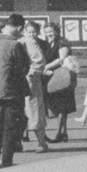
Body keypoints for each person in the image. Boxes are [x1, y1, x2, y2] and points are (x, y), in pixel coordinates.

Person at [0, 14, 32, 170]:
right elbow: (23, 68)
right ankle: (7, 161)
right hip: (12, 91)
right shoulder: (15, 45)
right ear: (19, 27)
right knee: (10, 128)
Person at [24, 22, 55, 153]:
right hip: (26, 78)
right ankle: (20, 139)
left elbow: (43, 60)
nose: (31, 34)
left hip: (37, 79)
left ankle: (41, 141)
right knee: (27, 110)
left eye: (34, 32)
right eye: (29, 32)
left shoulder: (39, 43)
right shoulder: (22, 42)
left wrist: (37, 71)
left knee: (35, 109)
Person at [44, 34, 79, 142]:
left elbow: (61, 59)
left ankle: (59, 133)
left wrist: (46, 67)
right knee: (61, 106)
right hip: (54, 78)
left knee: (62, 107)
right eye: (47, 32)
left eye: (51, 32)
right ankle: (64, 133)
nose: (49, 34)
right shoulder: (49, 43)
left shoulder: (62, 43)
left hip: (62, 77)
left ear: (56, 31)